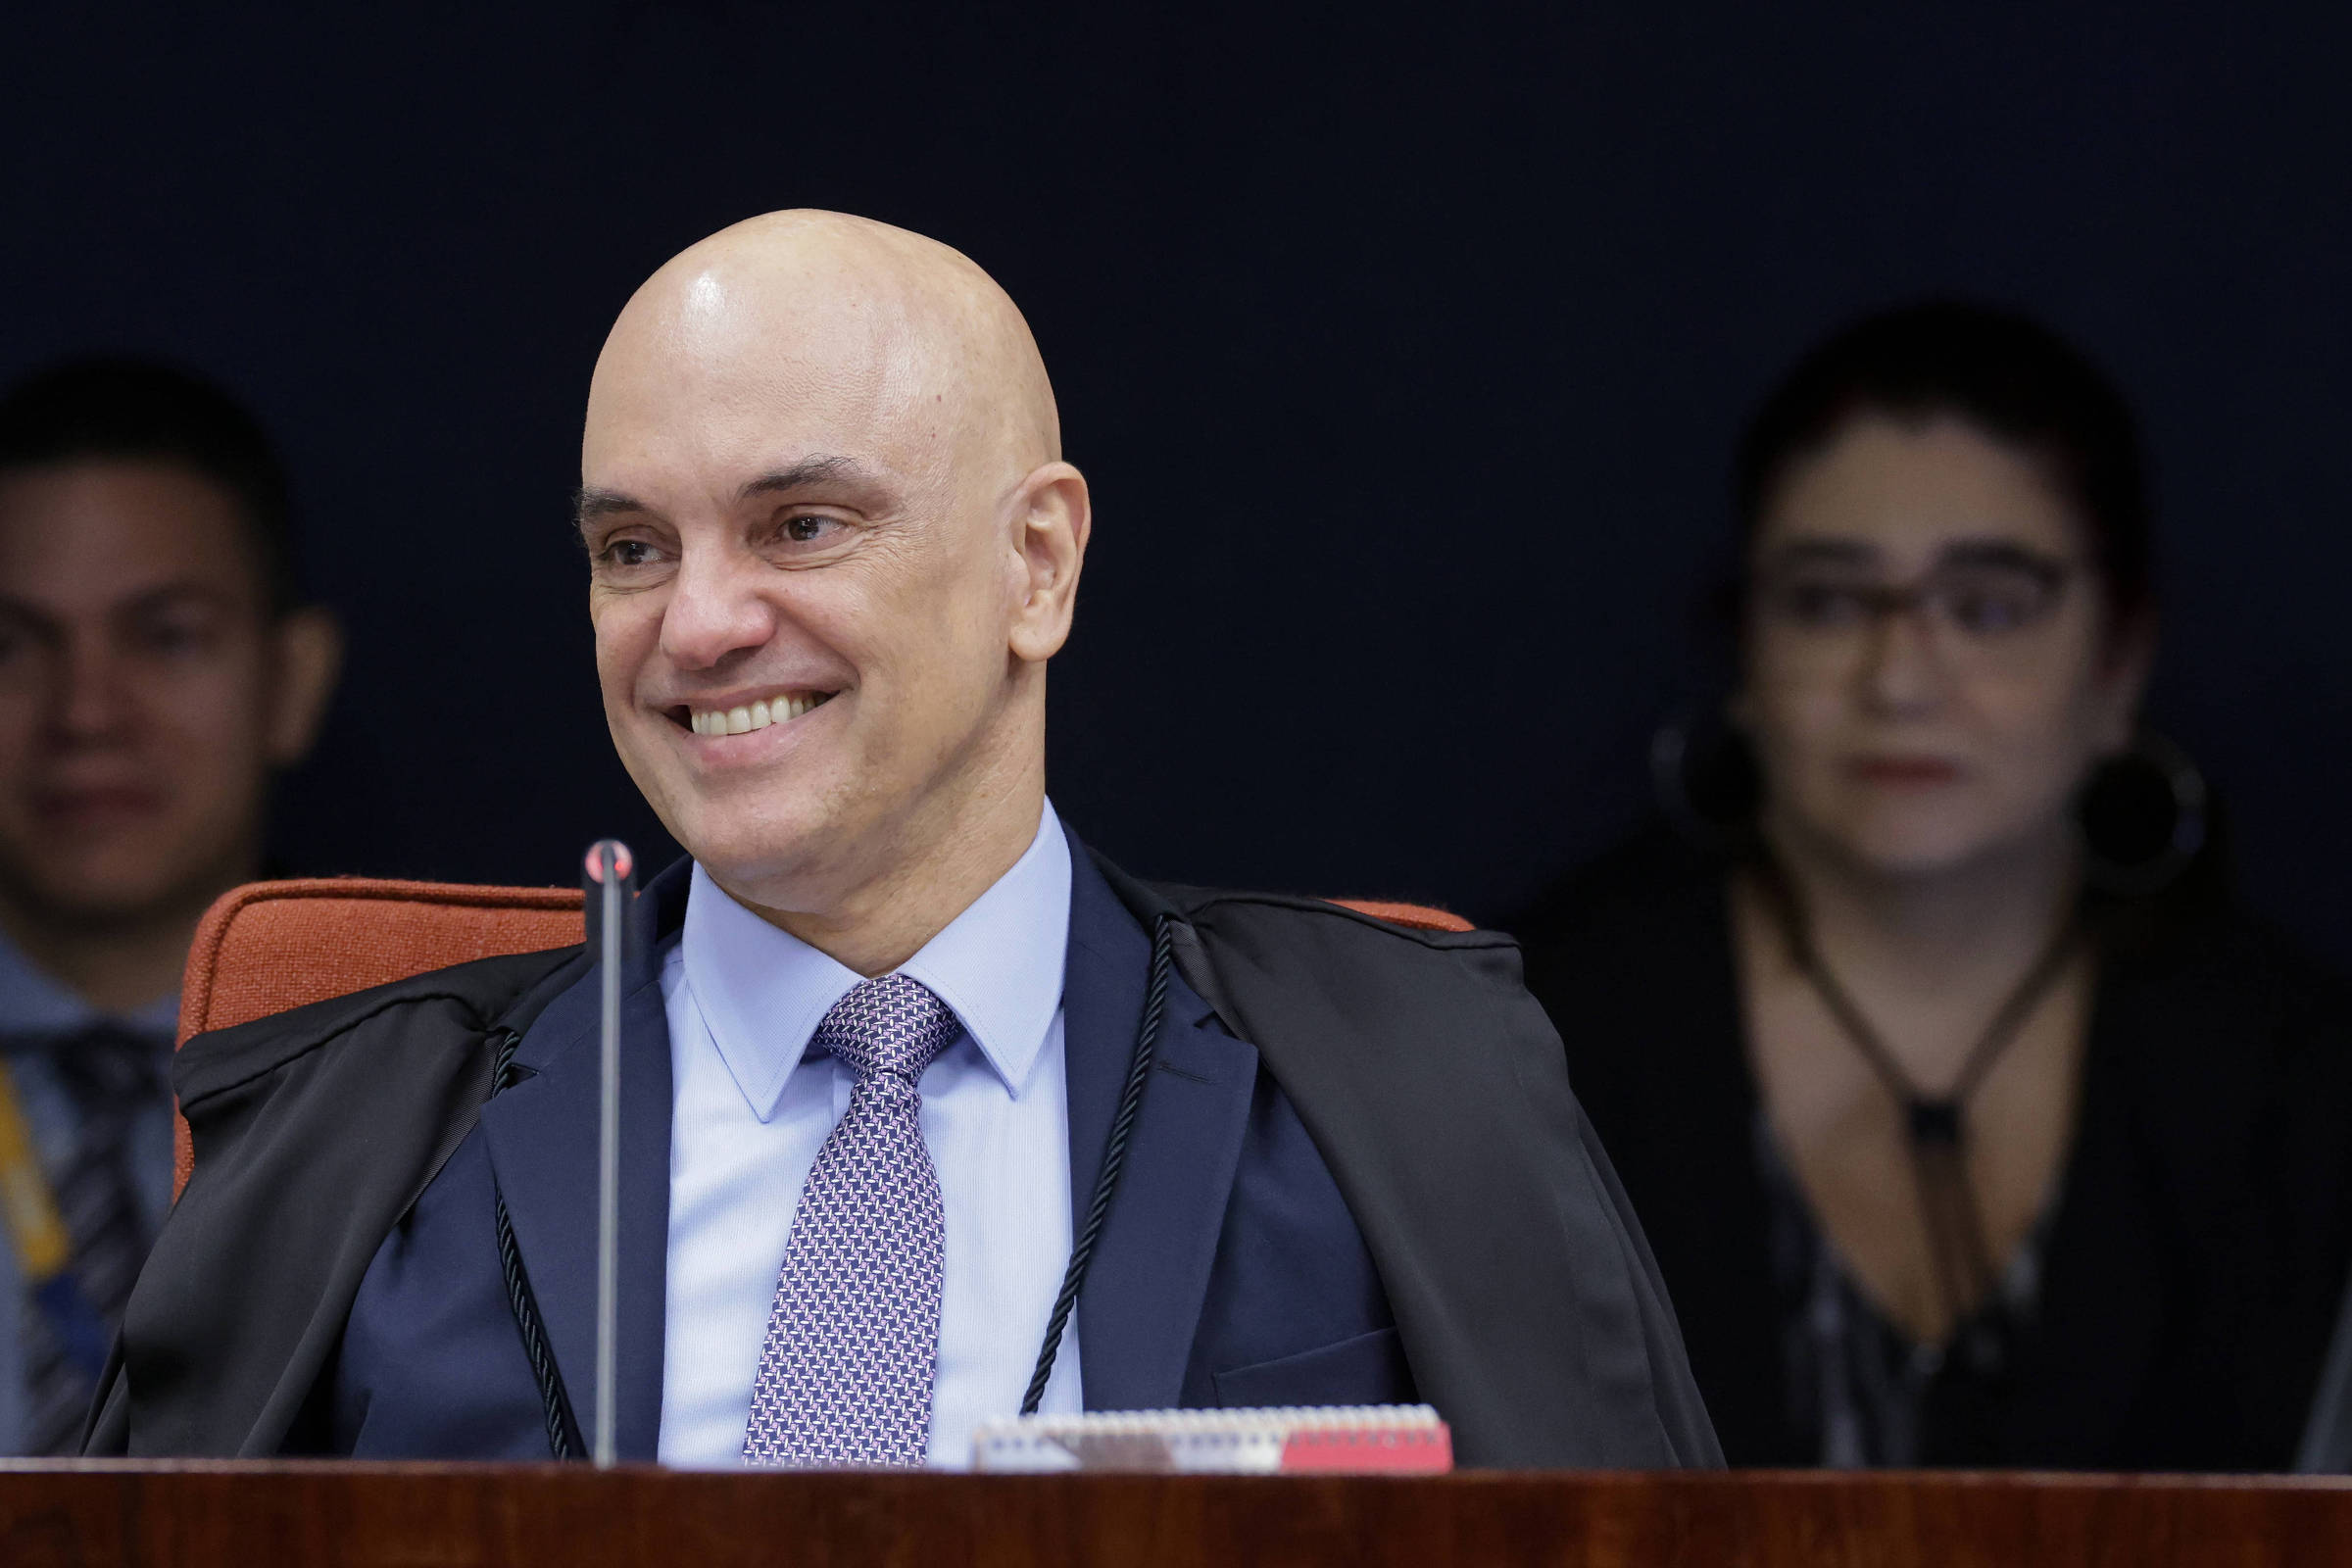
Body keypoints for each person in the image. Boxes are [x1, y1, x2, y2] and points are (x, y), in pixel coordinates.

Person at [89, 213, 1718, 1468]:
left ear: (1038, 564)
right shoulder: (354, 1136)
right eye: (634, 548)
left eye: (801, 525)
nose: (699, 625)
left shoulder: (1413, 1079)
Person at [1511, 301, 2352, 1470]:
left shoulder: (2297, 1079)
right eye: (1827, 600)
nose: (1900, 680)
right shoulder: (1533, 1048)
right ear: (1746, 650)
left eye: (1988, 605)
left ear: (2120, 661)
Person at [0, 360, 340, 1453]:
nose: (85, 713)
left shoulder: (446, 1089)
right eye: (11, 646)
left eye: (167, 635)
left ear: (292, 681)